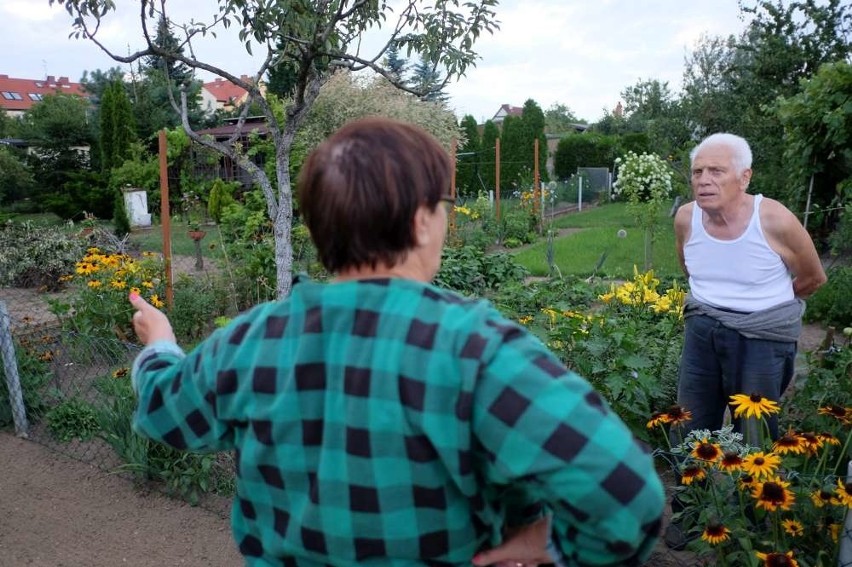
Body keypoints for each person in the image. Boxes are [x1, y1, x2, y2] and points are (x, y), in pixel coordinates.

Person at [128, 117, 664, 566]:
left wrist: (160, 343)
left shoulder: (251, 338)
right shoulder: (476, 350)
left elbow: (165, 409)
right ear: (422, 221)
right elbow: (625, 500)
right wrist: (547, 544)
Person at [666, 132, 827, 547]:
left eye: (716, 171)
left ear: (745, 177)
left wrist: (762, 304)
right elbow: (691, 268)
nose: (703, 179)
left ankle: (757, 520)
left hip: (761, 337)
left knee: (754, 430)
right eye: (697, 171)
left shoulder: (774, 220)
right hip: (703, 329)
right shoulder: (686, 217)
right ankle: (690, 510)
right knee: (691, 423)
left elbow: (812, 278)